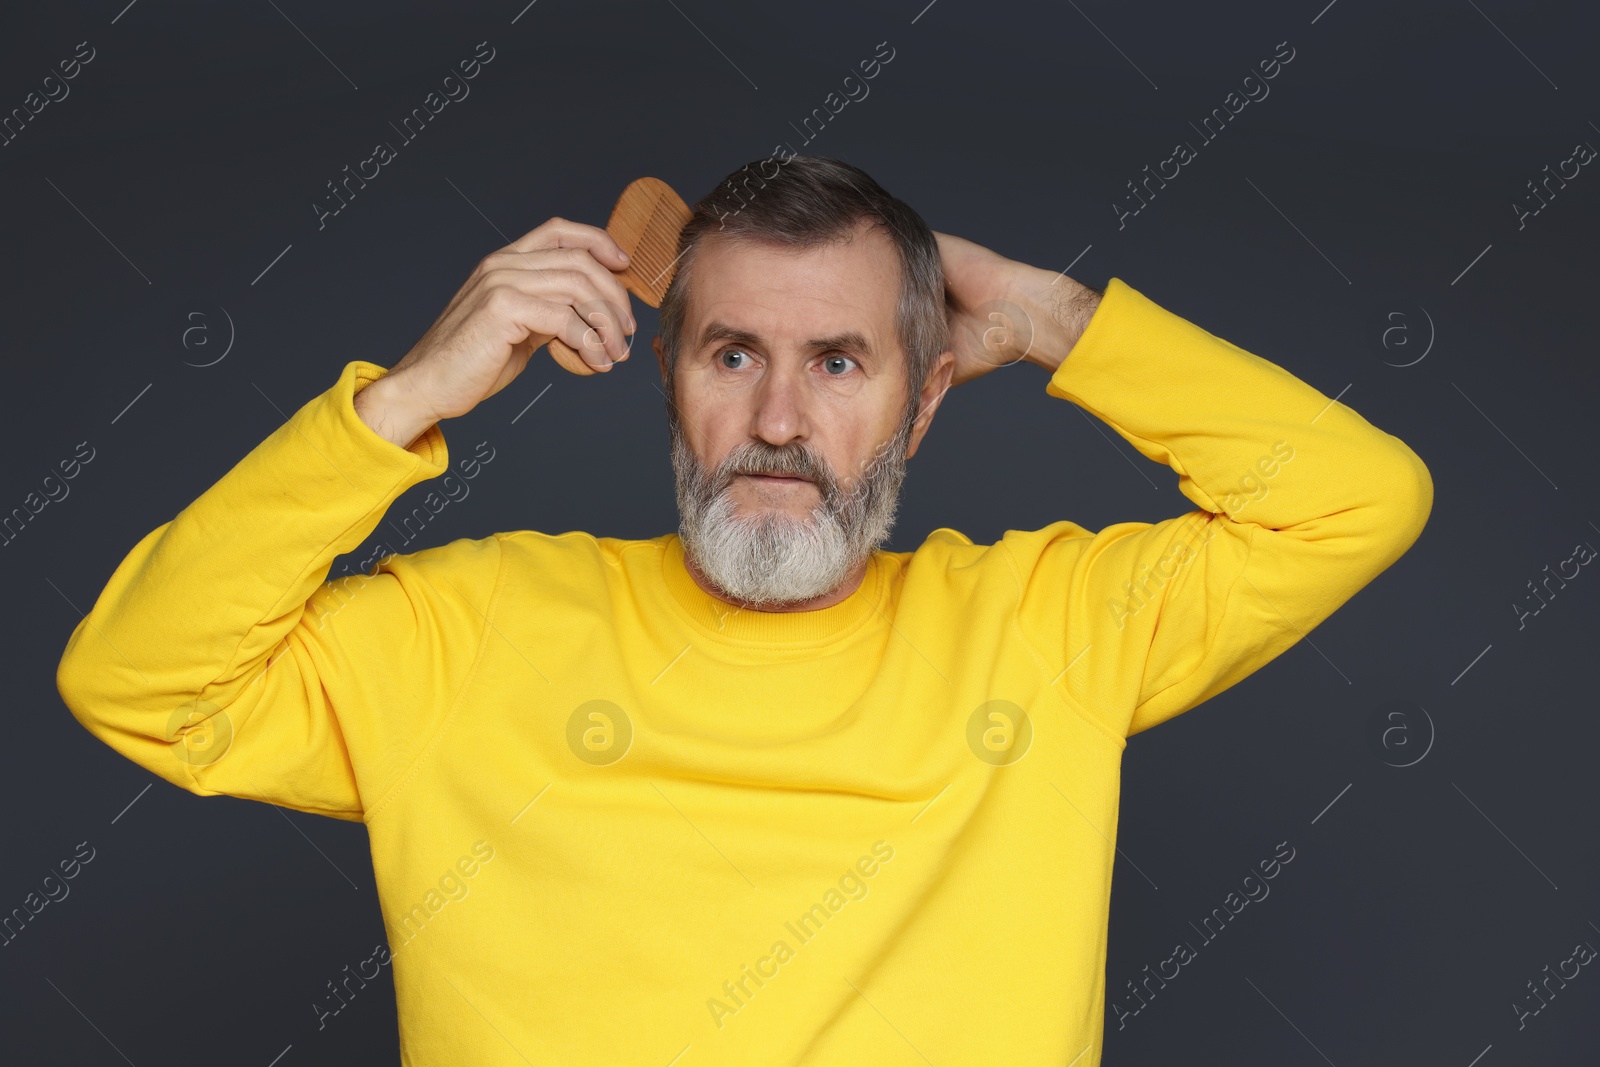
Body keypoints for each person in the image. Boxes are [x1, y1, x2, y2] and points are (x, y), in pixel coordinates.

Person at [56, 155, 1432, 1065]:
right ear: (671, 377)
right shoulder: (464, 631)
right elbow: (140, 679)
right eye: (735, 354)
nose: (779, 421)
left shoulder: (1048, 629)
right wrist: (404, 398)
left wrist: (1049, 312)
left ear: (930, 392)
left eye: (840, 362)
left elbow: (1357, 497)